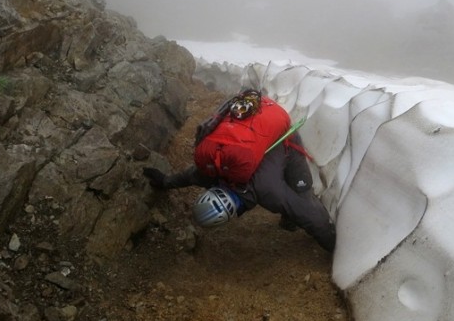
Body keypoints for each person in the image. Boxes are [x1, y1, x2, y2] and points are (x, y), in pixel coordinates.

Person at [144, 90, 336, 252]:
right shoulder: (211, 173)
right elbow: (190, 175)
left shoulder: (267, 192)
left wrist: (335, 248)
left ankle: (290, 218)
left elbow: (313, 216)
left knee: (301, 191)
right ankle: (290, 217)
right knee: (288, 199)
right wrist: (165, 182)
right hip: (257, 137)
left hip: (283, 138)